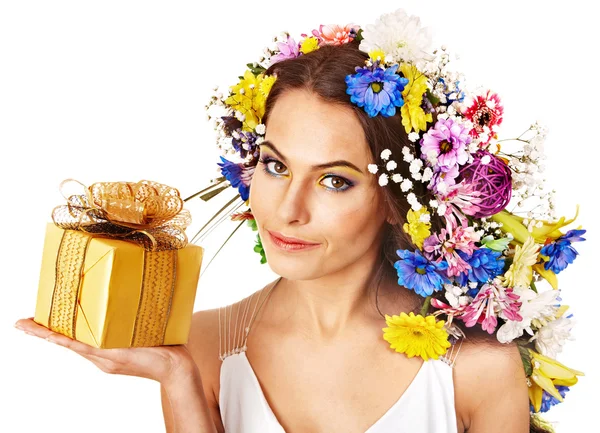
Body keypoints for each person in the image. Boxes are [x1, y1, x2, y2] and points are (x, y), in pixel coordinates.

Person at [14, 8, 584, 433]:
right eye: (275, 166)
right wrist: (178, 381)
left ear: (395, 201)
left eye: (335, 180)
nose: (288, 210)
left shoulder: (475, 366)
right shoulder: (204, 344)